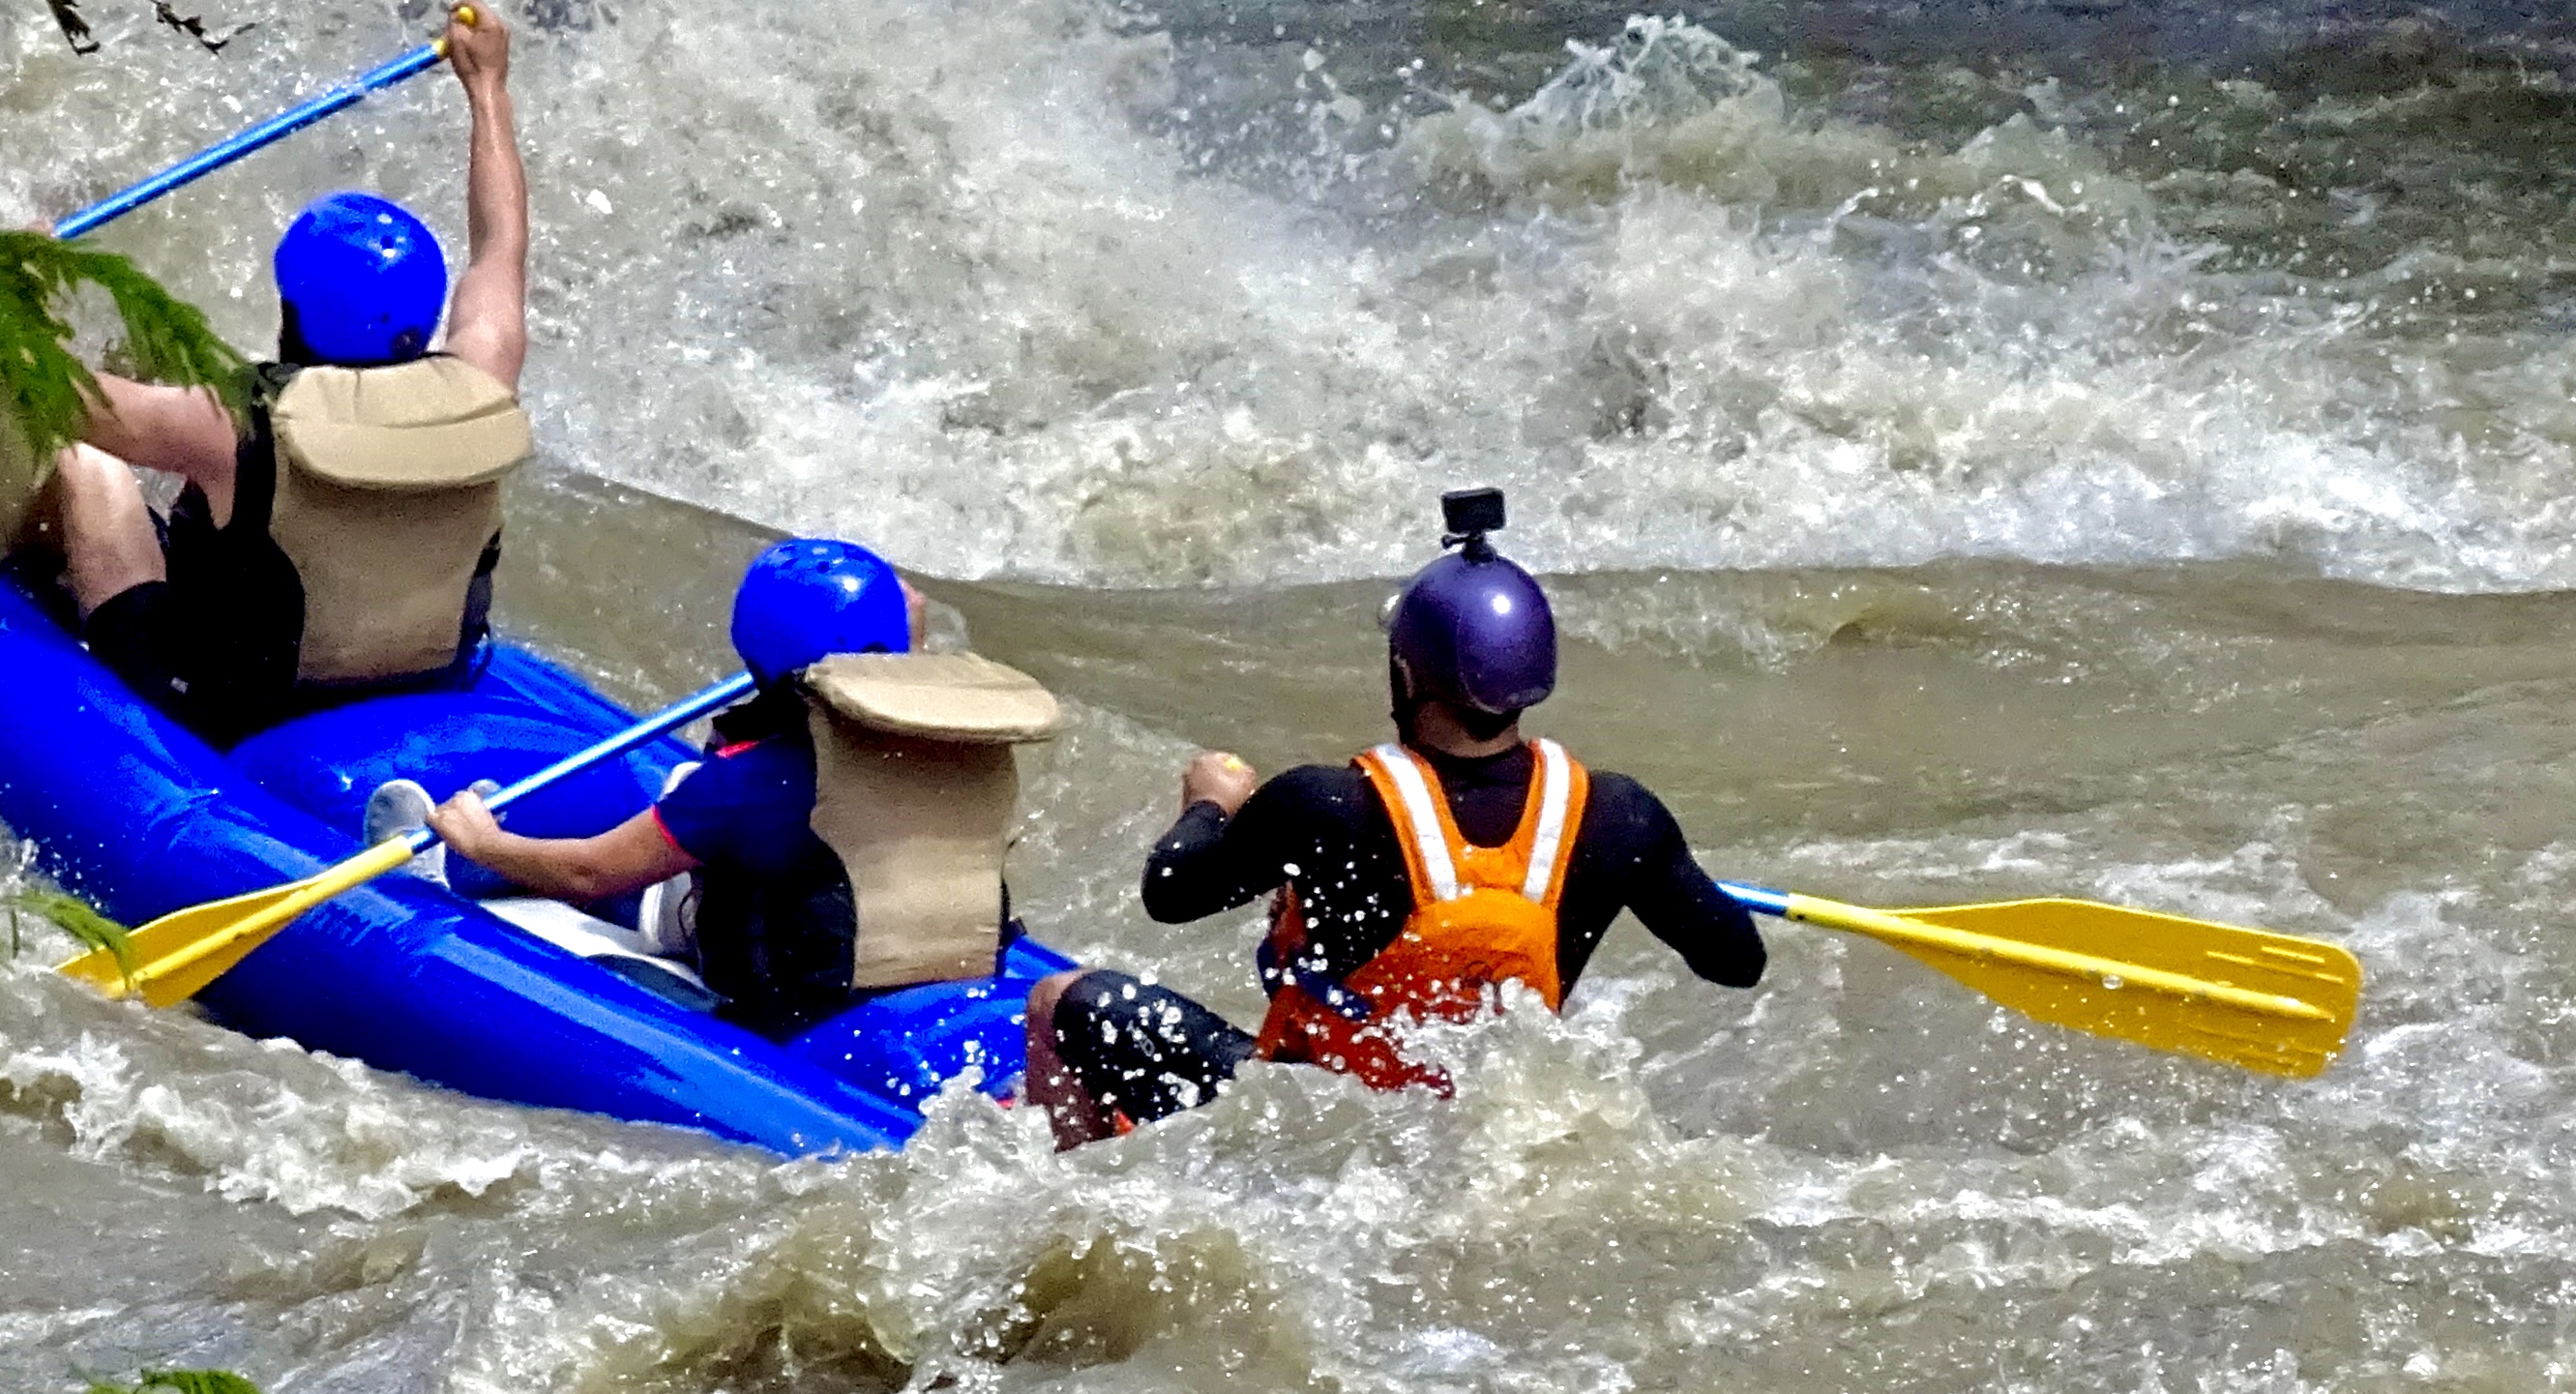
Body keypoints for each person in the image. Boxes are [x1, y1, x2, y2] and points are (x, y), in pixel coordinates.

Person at [1022, 489, 1764, 1146]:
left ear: (1407, 672)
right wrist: (1661, 873)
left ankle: (1082, 1185)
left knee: (1058, 999)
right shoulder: (1619, 817)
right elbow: (1736, 961)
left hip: (1313, 1125)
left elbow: (1172, 893)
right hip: (1476, 1135)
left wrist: (1211, 806)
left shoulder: (1325, 805)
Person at [38, 4, 532, 746]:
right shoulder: (482, 377)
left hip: (234, 699)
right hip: (427, 678)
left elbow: (51, 390)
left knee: (88, 461)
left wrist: (20, 278)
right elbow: (501, 245)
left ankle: (36, 594)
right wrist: (487, 85)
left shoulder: (235, 421)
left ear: (291, 307)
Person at [381, 538, 1062, 1037]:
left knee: (684, 828)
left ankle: (461, 876)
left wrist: (484, 838)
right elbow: (898, 635)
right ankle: (669, 904)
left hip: (805, 1013)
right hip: (942, 973)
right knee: (721, 829)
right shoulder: (955, 742)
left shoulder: (751, 782)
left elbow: (591, 874)